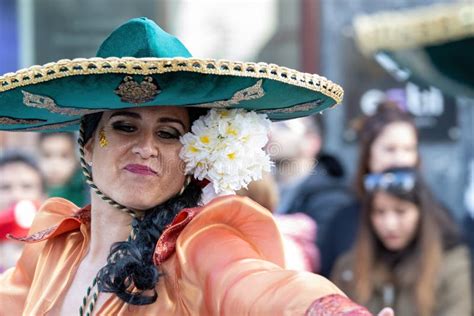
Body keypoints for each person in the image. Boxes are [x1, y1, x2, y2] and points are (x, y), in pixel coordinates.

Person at [0, 18, 394, 315]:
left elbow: (265, 288)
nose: (145, 148)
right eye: (125, 127)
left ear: (192, 154)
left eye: (169, 133)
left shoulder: (199, 244)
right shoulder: (54, 246)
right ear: (87, 145)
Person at [331, 167, 471, 316]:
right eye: (380, 212)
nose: (389, 224)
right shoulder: (348, 267)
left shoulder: (451, 264)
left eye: (401, 211)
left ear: (422, 214)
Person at [319, 101, 419, 277]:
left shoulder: (434, 215)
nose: (400, 159)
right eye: (390, 149)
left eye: (408, 149)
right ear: (368, 154)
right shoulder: (344, 220)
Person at [269, 117, 353, 272]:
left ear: (311, 142)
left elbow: (320, 265)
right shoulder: (260, 188)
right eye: (269, 122)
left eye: (283, 126)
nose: (270, 131)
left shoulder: (331, 200)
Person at [0, 150, 45, 271]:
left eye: (27, 186)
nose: (16, 195)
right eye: (5, 187)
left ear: (43, 196)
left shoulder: (57, 249)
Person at [38, 132, 89, 206]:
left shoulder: (87, 193)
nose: (55, 164)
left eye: (64, 156)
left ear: (76, 158)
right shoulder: (28, 191)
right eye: (47, 155)